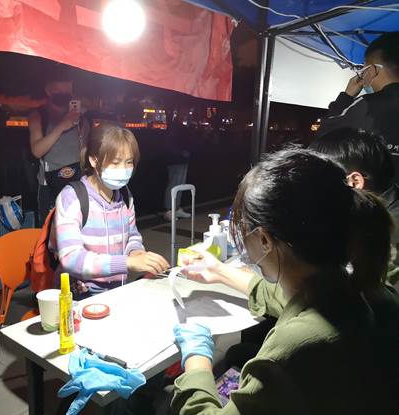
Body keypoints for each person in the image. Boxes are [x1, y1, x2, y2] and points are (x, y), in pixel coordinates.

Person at [172, 148, 399, 414]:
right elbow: (282, 297)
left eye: (243, 229)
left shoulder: (295, 347)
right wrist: (220, 271)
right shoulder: (366, 290)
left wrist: (197, 362)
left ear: (264, 239)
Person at [49, 125, 169, 299]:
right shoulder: (71, 198)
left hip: (117, 291)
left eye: (129, 162)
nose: (124, 169)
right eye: (115, 162)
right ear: (93, 160)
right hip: (80, 296)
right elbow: (71, 258)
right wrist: (127, 262)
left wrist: (136, 252)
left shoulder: (125, 195)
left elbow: (132, 235)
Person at [309, 128, 399, 285]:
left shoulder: (387, 235)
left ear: (354, 182)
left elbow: (356, 292)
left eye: (318, 183)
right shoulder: (371, 215)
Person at [318, 32, 399, 180]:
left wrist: (346, 96)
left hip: (379, 193)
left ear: (373, 70)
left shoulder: (367, 105)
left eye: (363, 69)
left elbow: (322, 144)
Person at [29, 72, 90, 225]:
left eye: (68, 92)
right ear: (48, 90)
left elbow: (85, 151)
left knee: (78, 226)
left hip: (78, 183)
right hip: (49, 186)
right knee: (50, 231)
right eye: (59, 91)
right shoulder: (39, 115)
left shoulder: (80, 118)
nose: (64, 95)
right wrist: (62, 126)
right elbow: (37, 151)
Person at [163, 108, 192, 221]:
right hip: (175, 160)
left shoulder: (180, 126)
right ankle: (169, 210)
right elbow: (168, 145)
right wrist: (181, 152)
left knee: (179, 184)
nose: (186, 114)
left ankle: (176, 208)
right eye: (184, 112)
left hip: (181, 159)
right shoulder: (175, 126)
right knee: (174, 184)